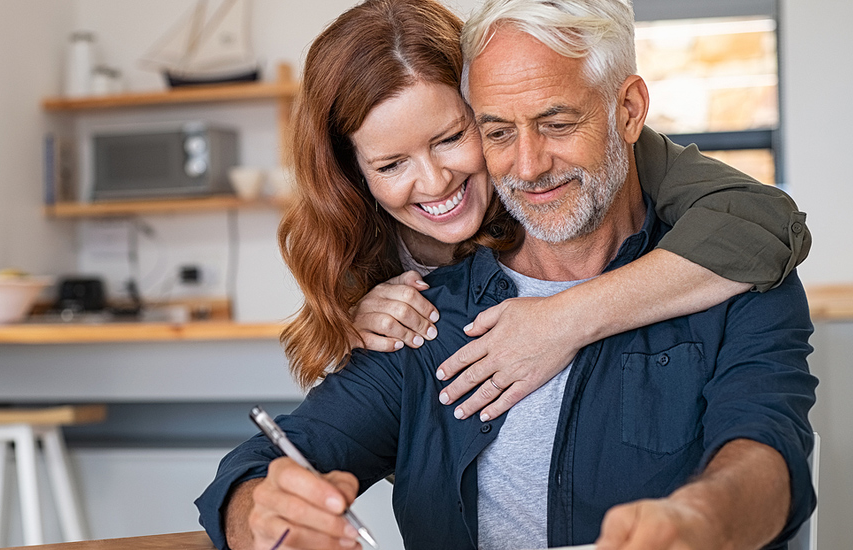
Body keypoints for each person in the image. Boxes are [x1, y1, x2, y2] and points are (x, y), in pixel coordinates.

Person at [200, 1, 817, 549]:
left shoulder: (728, 275)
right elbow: (266, 465)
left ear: (628, 111)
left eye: (557, 123)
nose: (529, 164)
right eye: (499, 130)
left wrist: (703, 519)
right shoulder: (420, 311)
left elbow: (767, 452)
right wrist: (261, 513)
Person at [280, 0, 809, 426]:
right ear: (356, 174)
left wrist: (562, 319)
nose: (436, 181)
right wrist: (354, 324)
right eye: (392, 164)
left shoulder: (608, 158)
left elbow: (765, 221)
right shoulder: (352, 244)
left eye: (450, 138)